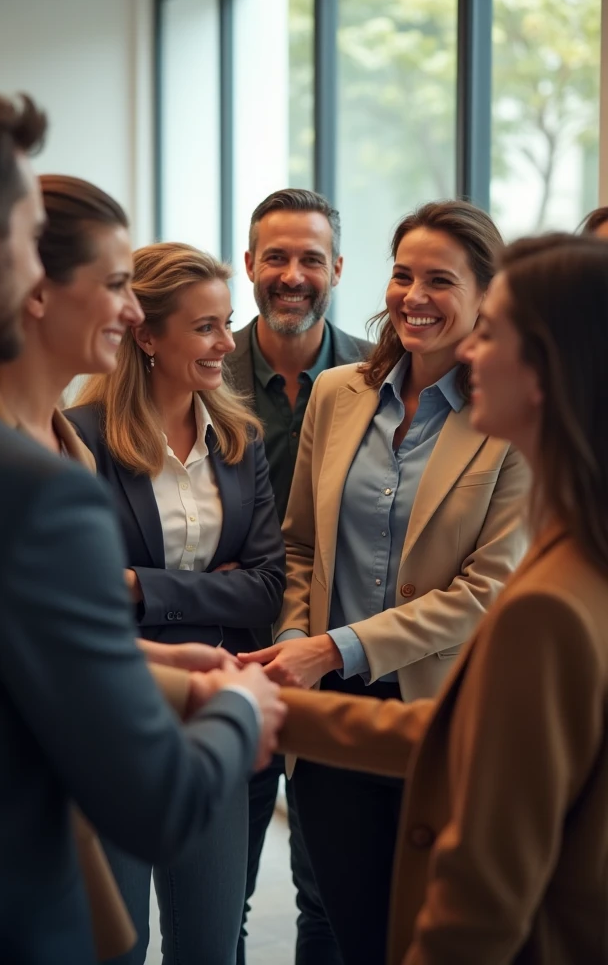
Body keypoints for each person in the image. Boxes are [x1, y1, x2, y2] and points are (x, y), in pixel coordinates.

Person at [0, 78, 285, 965]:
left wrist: (152, 654)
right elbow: (155, 796)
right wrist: (237, 704)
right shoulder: (25, 484)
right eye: (23, 238)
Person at [277, 232, 608, 965]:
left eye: (493, 331)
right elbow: (477, 746)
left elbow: (483, 898)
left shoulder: (548, 604)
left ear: (547, 370)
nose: (474, 351)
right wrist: (272, 706)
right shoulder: (582, 554)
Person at [242, 200, 530, 964]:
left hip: (439, 721)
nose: (414, 296)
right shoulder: (339, 394)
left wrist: (332, 649)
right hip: (326, 717)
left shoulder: (511, 419)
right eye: (403, 275)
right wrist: (297, 643)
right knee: (344, 926)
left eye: (441, 280)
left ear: (486, 297)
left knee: (430, 941)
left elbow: (483, 591)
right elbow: (299, 544)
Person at [0, 174, 249, 960]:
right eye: (119, 285)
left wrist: (159, 652)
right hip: (18, 815)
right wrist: (219, 699)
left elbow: (40, 634)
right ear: (35, 292)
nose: (133, 313)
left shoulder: (61, 438)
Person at [66, 241, 286, 965]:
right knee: (117, 944)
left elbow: (262, 589)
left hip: (211, 701)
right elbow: (84, 594)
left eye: (228, 323)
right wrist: (190, 592)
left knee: (210, 944)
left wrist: (140, 586)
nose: (230, 342)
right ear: (147, 334)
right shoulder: (82, 439)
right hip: (115, 713)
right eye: (207, 328)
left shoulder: (239, 439)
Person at [226, 187, 373, 965]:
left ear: (337, 269)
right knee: (221, 897)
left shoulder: (379, 382)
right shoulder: (201, 372)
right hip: (221, 660)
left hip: (335, 669)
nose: (292, 275)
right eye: (275, 257)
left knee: (328, 899)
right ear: (248, 263)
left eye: (310, 259)